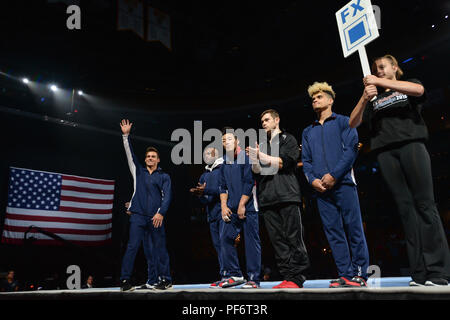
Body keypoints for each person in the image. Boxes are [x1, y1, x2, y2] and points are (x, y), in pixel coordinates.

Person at [349, 54, 450, 286]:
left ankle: (438, 272)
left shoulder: (406, 84)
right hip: (385, 152)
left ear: (395, 68)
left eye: (382, 67)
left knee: (425, 205)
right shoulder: (373, 96)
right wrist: (365, 98)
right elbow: (353, 123)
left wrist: (380, 82)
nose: (378, 71)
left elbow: (418, 90)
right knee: (406, 210)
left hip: (412, 145)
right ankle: (419, 273)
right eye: (375, 69)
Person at [302, 82, 370, 288]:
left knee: (353, 228)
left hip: (344, 184)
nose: (315, 99)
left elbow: (351, 151)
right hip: (321, 190)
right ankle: (345, 274)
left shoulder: (344, 122)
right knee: (333, 232)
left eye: (319, 96)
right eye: (313, 98)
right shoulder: (308, 131)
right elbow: (306, 161)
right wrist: (312, 180)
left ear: (331, 100)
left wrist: (334, 175)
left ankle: (360, 274)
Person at [246, 109, 310, 288]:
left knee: (294, 237)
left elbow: (283, 163)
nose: (264, 123)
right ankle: (288, 276)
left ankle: (298, 277)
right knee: (277, 240)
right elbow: (257, 171)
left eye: (267, 120)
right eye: (262, 121)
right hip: (267, 197)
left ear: (277, 120)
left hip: (287, 195)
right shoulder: (262, 145)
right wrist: (254, 159)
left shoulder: (288, 139)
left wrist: (260, 155)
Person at [119, 119, 173, 291]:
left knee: (159, 249)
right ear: (145, 159)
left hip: (156, 217)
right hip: (138, 216)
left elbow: (167, 196)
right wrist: (125, 136)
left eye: (153, 156)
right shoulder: (138, 172)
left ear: (158, 160)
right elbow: (129, 154)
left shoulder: (164, 177)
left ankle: (165, 280)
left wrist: (161, 213)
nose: (150, 158)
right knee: (133, 247)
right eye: (148, 156)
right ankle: (125, 281)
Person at [218, 128, 262, 288]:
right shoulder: (224, 161)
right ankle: (235, 275)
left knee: (251, 242)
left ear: (236, 141)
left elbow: (250, 182)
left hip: (248, 207)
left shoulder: (246, 157)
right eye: (223, 140)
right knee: (225, 238)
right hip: (231, 208)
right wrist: (223, 206)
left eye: (229, 139)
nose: (226, 142)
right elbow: (222, 187)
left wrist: (242, 204)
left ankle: (253, 279)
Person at [189, 147, 225, 288]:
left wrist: (206, 191)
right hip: (211, 216)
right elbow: (206, 199)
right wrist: (200, 195)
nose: (206, 155)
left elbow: (225, 189)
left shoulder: (223, 169)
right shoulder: (204, 175)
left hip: (223, 213)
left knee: (225, 245)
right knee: (218, 247)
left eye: (209, 153)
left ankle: (231, 274)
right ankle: (224, 275)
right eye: (204, 154)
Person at [125, 201, 158, 289]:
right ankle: (152, 280)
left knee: (153, 252)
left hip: (153, 220)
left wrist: (135, 208)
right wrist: (134, 209)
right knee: (149, 254)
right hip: (143, 222)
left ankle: (157, 280)